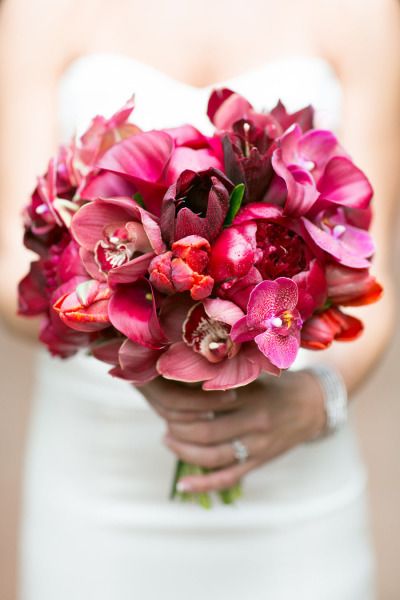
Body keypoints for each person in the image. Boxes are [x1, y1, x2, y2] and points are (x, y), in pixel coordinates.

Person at [0, 0, 399, 598]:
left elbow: (375, 281)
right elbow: (14, 272)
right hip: (100, 490)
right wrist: (152, 331)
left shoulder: (366, 14)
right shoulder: (38, 12)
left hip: (296, 501)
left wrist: (316, 403)